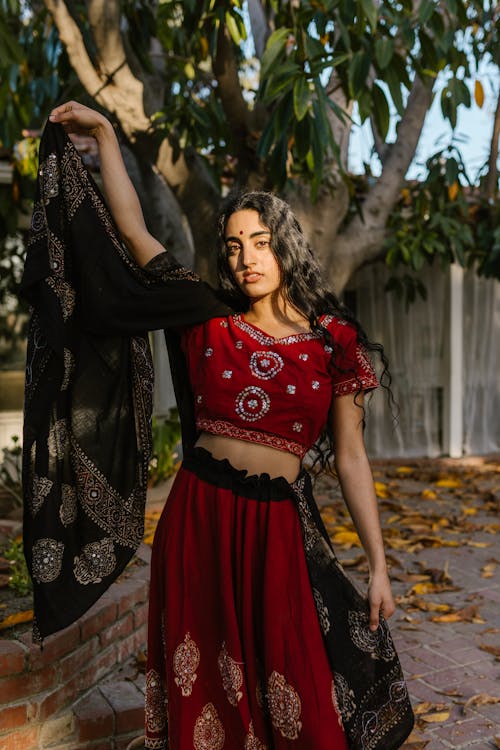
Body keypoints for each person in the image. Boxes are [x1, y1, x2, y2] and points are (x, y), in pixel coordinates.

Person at [28, 101, 413, 750]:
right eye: (233, 246)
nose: (245, 258)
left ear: (287, 246)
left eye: (260, 242)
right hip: (199, 519)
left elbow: (350, 459)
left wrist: (378, 565)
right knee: (204, 696)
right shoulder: (206, 316)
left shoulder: (335, 342)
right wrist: (107, 136)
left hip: (276, 531)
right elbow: (133, 232)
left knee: (298, 699)